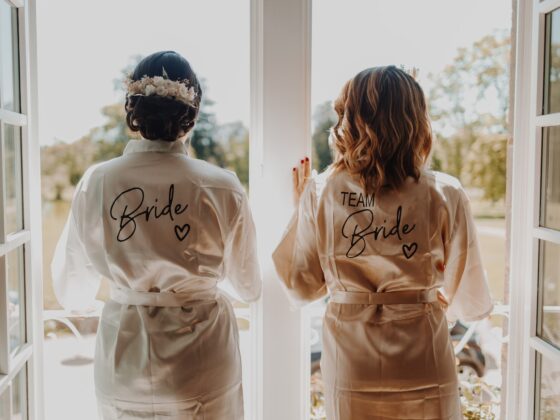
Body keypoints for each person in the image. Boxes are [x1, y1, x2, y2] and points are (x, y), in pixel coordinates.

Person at [273, 66, 493, 420]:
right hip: (423, 353)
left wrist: (303, 209)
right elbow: (469, 295)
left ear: (352, 121)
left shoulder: (322, 191)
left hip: (350, 358)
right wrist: (429, 295)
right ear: (414, 120)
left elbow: (301, 283)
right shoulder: (445, 192)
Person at [52, 51, 262, 420]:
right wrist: (195, 281)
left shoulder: (99, 181)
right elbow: (248, 286)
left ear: (132, 110)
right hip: (203, 362)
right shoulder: (222, 186)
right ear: (191, 113)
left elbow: (73, 292)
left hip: (124, 360)